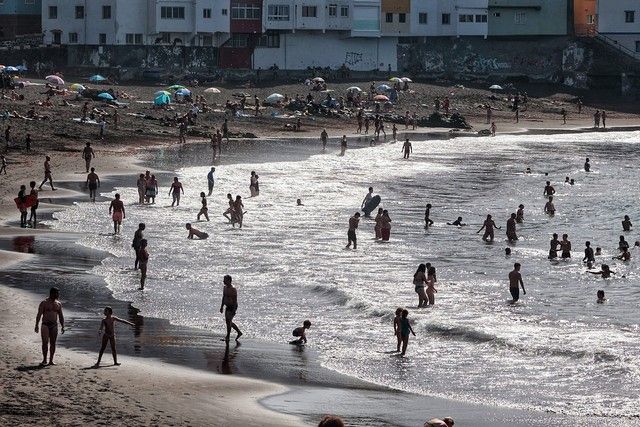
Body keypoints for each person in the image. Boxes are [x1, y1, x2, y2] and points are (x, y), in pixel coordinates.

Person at [35, 287, 65, 366]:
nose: (58, 295)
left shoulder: (58, 304)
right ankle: (44, 359)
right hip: (45, 325)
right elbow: (39, 314)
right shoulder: (44, 303)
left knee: (53, 343)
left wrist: (63, 326)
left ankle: (51, 360)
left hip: (54, 325)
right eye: (57, 293)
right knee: (45, 343)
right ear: (52, 293)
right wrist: (36, 325)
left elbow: (61, 316)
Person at [220, 275, 243, 342]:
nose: (223, 281)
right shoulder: (225, 288)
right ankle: (239, 332)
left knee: (229, 321)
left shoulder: (233, 289)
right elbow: (223, 297)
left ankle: (228, 336)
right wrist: (221, 306)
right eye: (224, 279)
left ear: (229, 281)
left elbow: (235, 300)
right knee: (228, 322)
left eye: (225, 280)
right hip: (227, 306)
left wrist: (233, 310)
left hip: (233, 306)